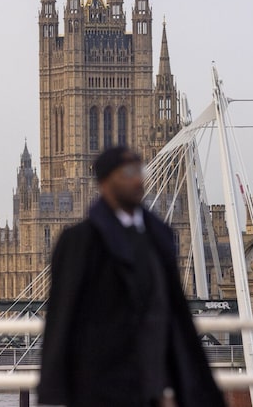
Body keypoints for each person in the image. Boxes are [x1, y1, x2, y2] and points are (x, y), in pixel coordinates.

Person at [38, 146, 226, 407]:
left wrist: (202, 389)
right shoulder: (77, 242)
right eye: (128, 172)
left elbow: (177, 316)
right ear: (105, 181)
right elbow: (62, 319)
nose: (138, 179)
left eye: (140, 170)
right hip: (99, 387)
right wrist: (53, 395)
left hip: (152, 385)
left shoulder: (160, 236)